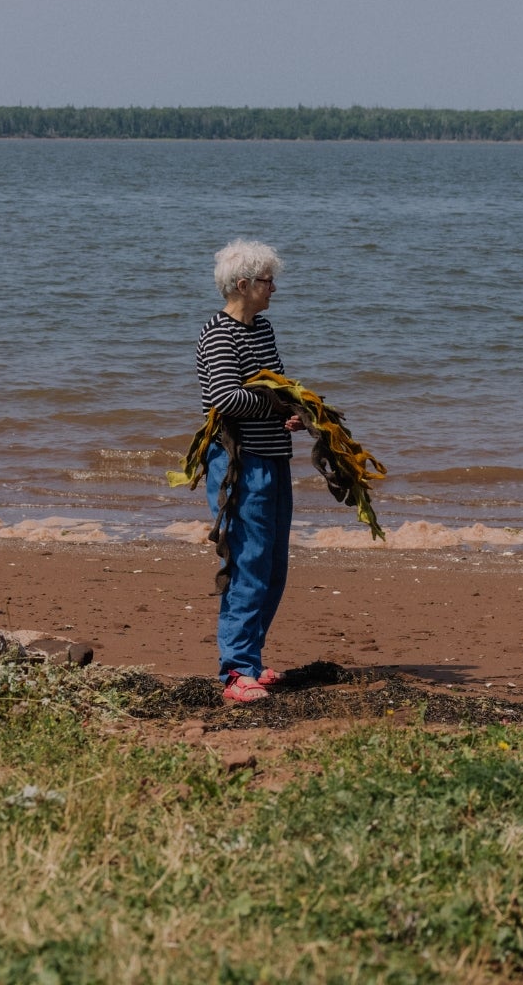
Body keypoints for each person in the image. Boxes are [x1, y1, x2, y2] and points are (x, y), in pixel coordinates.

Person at [195, 240, 304, 704]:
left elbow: (276, 384)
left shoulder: (262, 329)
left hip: (274, 460)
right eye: (267, 281)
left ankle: (252, 660)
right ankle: (236, 671)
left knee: (273, 566)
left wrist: (293, 414)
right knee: (248, 566)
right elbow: (225, 398)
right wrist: (275, 405)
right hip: (239, 465)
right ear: (242, 285)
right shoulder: (218, 335)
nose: (274, 289)